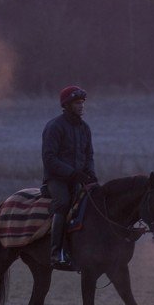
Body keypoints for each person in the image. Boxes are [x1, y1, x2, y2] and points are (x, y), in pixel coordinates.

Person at [41, 85, 97, 270]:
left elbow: (89, 155)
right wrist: (72, 173)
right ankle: (56, 253)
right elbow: (49, 159)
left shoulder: (85, 128)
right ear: (66, 105)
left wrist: (91, 174)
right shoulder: (54, 127)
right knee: (64, 203)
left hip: (78, 178)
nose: (81, 106)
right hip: (57, 179)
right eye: (76, 103)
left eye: (82, 102)